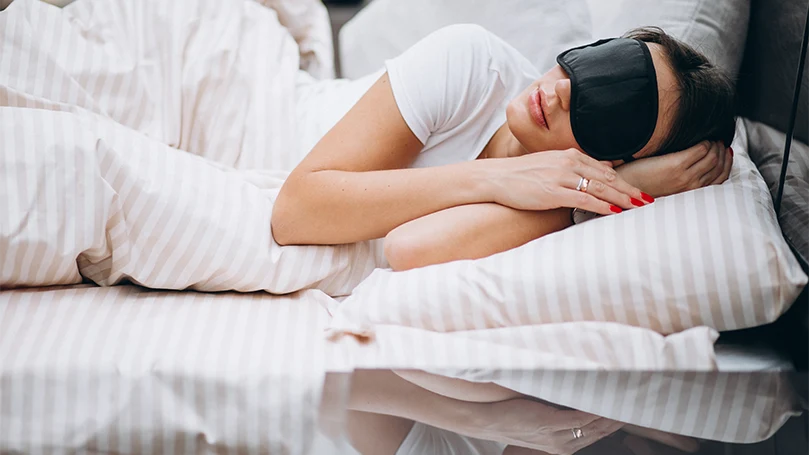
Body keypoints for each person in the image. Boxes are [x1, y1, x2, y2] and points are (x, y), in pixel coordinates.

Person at [276, 24, 736, 455]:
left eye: (608, 112)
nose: (561, 90)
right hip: (264, 119)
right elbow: (295, 212)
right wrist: (502, 176)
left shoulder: (570, 241)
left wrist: (581, 199)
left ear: (615, 166)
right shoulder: (472, 66)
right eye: (598, 67)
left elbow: (411, 248)